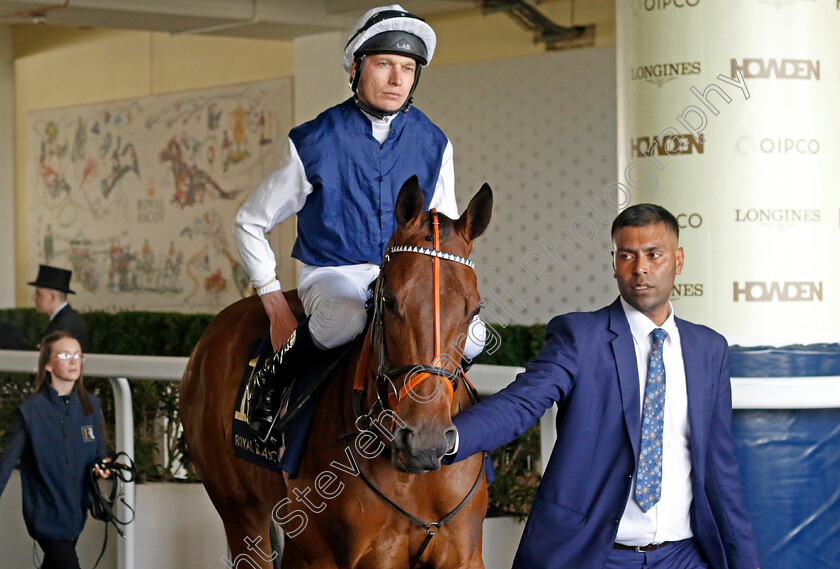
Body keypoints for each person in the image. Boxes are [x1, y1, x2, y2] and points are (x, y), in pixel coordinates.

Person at [448, 204, 761, 569]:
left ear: (678, 261)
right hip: (598, 555)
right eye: (627, 255)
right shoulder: (580, 337)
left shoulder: (709, 349)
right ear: (615, 264)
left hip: (684, 556)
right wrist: (450, 438)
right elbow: (522, 402)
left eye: (653, 255)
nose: (640, 268)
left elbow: (720, 470)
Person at [234, 4, 486, 439]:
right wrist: (274, 302)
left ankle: (440, 411)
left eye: (407, 68)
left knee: (477, 335)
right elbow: (248, 222)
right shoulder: (313, 140)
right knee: (346, 320)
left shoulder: (434, 141)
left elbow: (439, 231)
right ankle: (271, 383)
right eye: (384, 64)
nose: (396, 79)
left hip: (406, 276)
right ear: (355, 68)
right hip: (337, 275)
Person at [0, 331, 109, 569]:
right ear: (48, 365)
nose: (73, 361)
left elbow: (100, 452)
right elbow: (5, 465)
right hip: (46, 516)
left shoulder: (91, 405)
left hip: (76, 513)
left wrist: (103, 466)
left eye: (78, 355)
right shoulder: (30, 412)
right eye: (64, 355)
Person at [28, 264, 89, 352]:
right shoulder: (65, 319)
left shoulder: (63, 325)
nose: (34, 297)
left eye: (38, 293)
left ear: (52, 297)